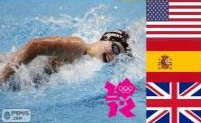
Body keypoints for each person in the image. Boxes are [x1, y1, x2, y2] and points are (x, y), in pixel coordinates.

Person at [0, 30, 131, 85]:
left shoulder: (82, 60)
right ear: (105, 40)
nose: (113, 57)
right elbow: (35, 45)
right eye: (115, 49)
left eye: (118, 55)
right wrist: (2, 77)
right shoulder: (78, 47)